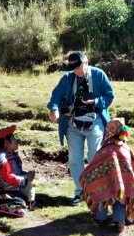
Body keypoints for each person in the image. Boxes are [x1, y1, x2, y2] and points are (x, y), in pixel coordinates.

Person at [47, 51, 115, 205]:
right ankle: (80, 192)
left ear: (86, 62)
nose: (78, 71)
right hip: (73, 123)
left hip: (94, 120)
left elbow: (109, 95)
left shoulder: (99, 75)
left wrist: (96, 102)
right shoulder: (67, 78)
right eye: (74, 68)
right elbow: (55, 97)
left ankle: (95, 190)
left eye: (79, 67)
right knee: (74, 159)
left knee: (94, 156)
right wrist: (54, 110)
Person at [80, 118, 134, 234]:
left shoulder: (105, 150)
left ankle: (101, 219)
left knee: (103, 193)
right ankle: (119, 221)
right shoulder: (125, 149)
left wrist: (86, 175)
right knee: (121, 196)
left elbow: (94, 167)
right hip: (125, 183)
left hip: (106, 182)